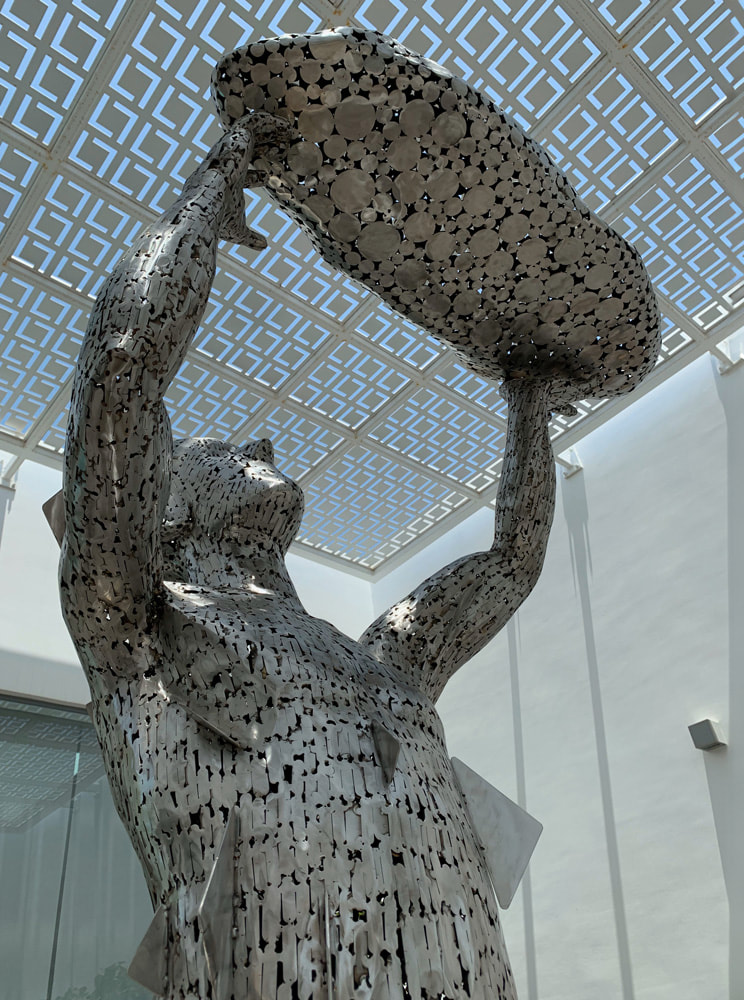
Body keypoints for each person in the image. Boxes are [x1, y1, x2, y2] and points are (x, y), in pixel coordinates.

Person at [58, 112, 556, 1000]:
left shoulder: (382, 659)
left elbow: (512, 561)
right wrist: (212, 189)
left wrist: (528, 398)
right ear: (163, 497)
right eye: (222, 448)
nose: (262, 438)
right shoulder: (135, 629)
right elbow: (124, 366)